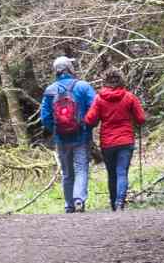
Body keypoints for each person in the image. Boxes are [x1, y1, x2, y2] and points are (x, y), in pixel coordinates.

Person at [84, 67, 149, 211]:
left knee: (112, 173)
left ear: (105, 82)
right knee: (122, 172)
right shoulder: (129, 97)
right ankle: (120, 203)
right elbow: (141, 119)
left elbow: (90, 120)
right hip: (126, 141)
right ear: (121, 80)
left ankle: (114, 204)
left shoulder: (99, 99)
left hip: (107, 143)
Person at [38, 56, 96, 213]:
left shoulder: (50, 90)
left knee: (67, 173)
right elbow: (95, 108)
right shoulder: (83, 86)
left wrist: (56, 129)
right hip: (81, 136)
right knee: (81, 168)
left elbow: (45, 117)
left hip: (61, 138)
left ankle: (69, 205)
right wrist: (88, 126)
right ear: (70, 68)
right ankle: (79, 200)